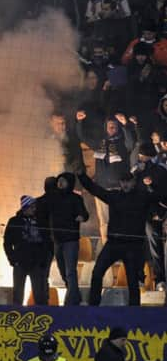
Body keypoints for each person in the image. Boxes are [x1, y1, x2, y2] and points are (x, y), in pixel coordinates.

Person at [79, 171, 158, 306]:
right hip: (114, 243)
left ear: (133, 182)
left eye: (128, 181)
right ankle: (93, 306)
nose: (125, 184)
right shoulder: (115, 196)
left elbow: (158, 197)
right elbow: (95, 190)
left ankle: (134, 311)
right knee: (97, 272)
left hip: (133, 245)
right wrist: (81, 176)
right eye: (123, 181)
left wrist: (151, 185)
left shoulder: (142, 197)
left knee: (133, 281)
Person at [76, 112, 134, 247]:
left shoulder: (123, 142)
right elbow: (82, 137)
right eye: (109, 126)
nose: (111, 128)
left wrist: (125, 125)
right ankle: (108, 248)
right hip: (102, 188)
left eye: (114, 126)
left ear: (118, 127)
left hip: (120, 189)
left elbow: (131, 143)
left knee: (122, 220)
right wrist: (79, 122)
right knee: (104, 221)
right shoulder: (99, 142)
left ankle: (122, 249)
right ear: (105, 127)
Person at [49, 173, 89, 306]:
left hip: (70, 240)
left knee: (70, 270)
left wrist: (81, 217)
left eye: (63, 181)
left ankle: (71, 301)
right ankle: (74, 295)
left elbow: (84, 214)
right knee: (62, 270)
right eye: (59, 181)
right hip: (57, 240)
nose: (60, 183)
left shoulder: (75, 199)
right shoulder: (53, 198)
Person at [4, 196, 51, 305]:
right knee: (18, 295)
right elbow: (7, 242)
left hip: (37, 263)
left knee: (40, 295)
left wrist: (44, 260)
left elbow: (48, 242)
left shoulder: (41, 222)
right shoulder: (14, 221)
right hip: (20, 262)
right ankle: (17, 317)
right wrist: (12, 259)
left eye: (35, 206)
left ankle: (42, 318)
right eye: (32, 207)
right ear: (25, 208)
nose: (34, 209)